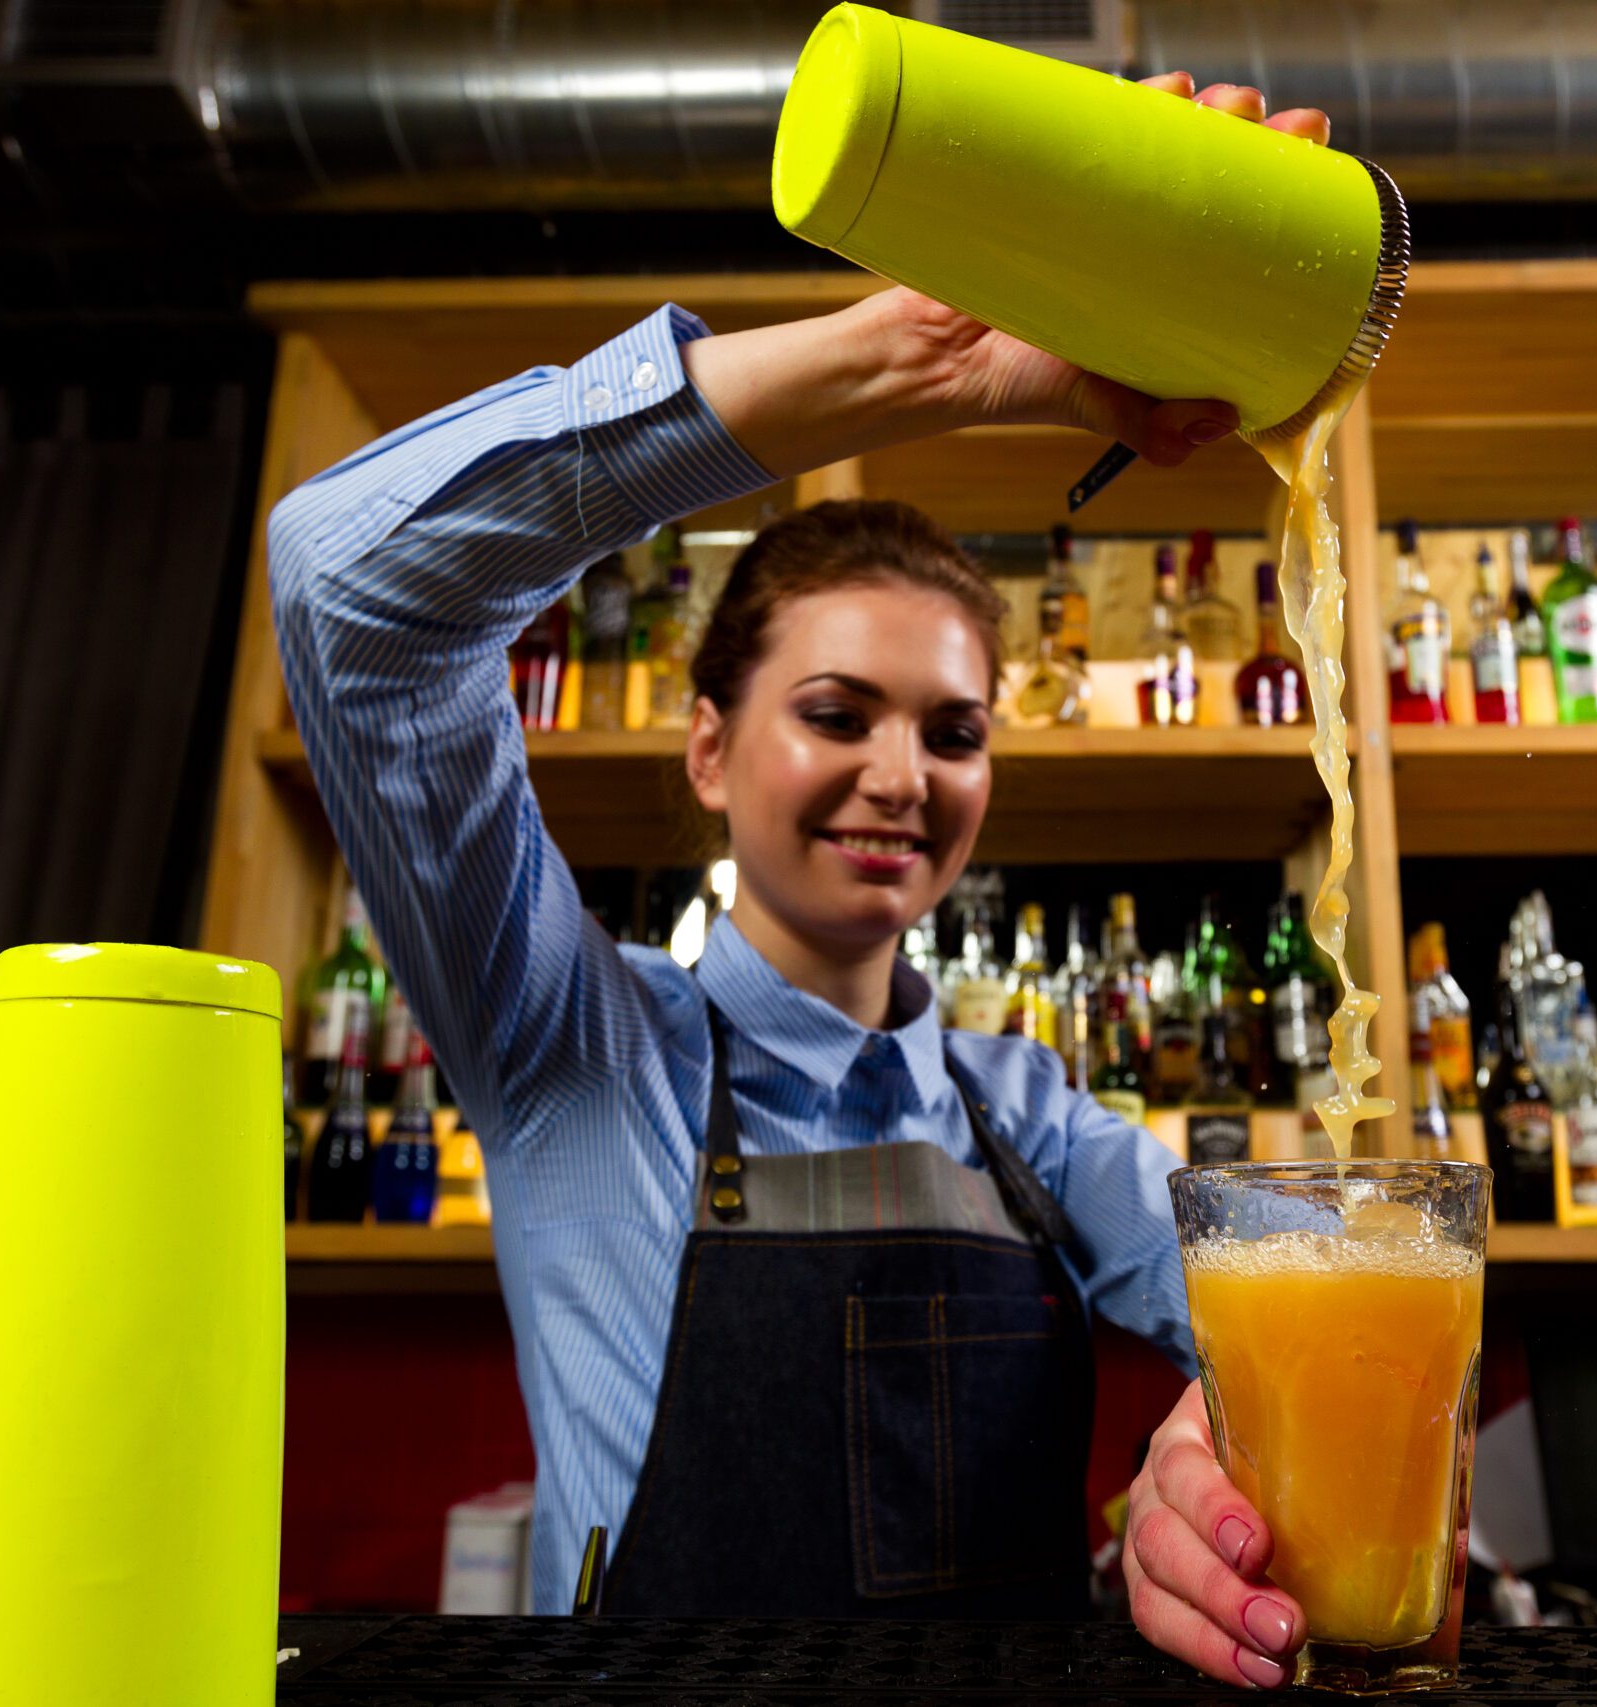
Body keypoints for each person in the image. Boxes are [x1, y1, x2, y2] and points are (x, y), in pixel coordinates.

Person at [270, 74, 1330, 1692]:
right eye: (836, 715)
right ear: (709, 752)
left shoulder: (1028, 1116)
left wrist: (1225, 1444)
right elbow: (351, 592)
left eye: (955, 731)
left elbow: (1313, 1303)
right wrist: (923, 363)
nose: (903, 775)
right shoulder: (574, 1048)